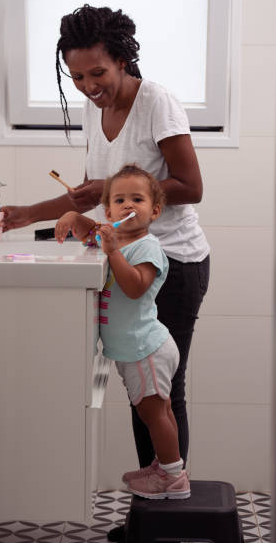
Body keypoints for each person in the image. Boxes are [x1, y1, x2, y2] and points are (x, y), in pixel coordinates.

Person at [1, 4, 210, 543]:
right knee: (144, 394)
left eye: (98, 73)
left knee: (164, 393)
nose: (89, 86)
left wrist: (110, 187)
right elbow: (100, 194)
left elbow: (189, 185)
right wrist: (29, 213)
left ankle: (165, 519)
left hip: (173, 263)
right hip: (129, 260)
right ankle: (156, 513)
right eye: (77, 77)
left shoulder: (155, 101)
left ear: (121, 59)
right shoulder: (99, 112)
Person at [56, 165, 191, 500]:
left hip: (145, 349)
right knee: (159, 411)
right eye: (119, 200)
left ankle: (173, 478)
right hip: (138, 348)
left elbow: (134, 287)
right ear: (108, 210)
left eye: (137, 199)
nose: (128, 205)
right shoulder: (119, 240)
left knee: (153, 412)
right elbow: (92, 232)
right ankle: (165, 466)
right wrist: (75, 216)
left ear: (155, 210)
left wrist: (113, 250)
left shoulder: (146, 247)